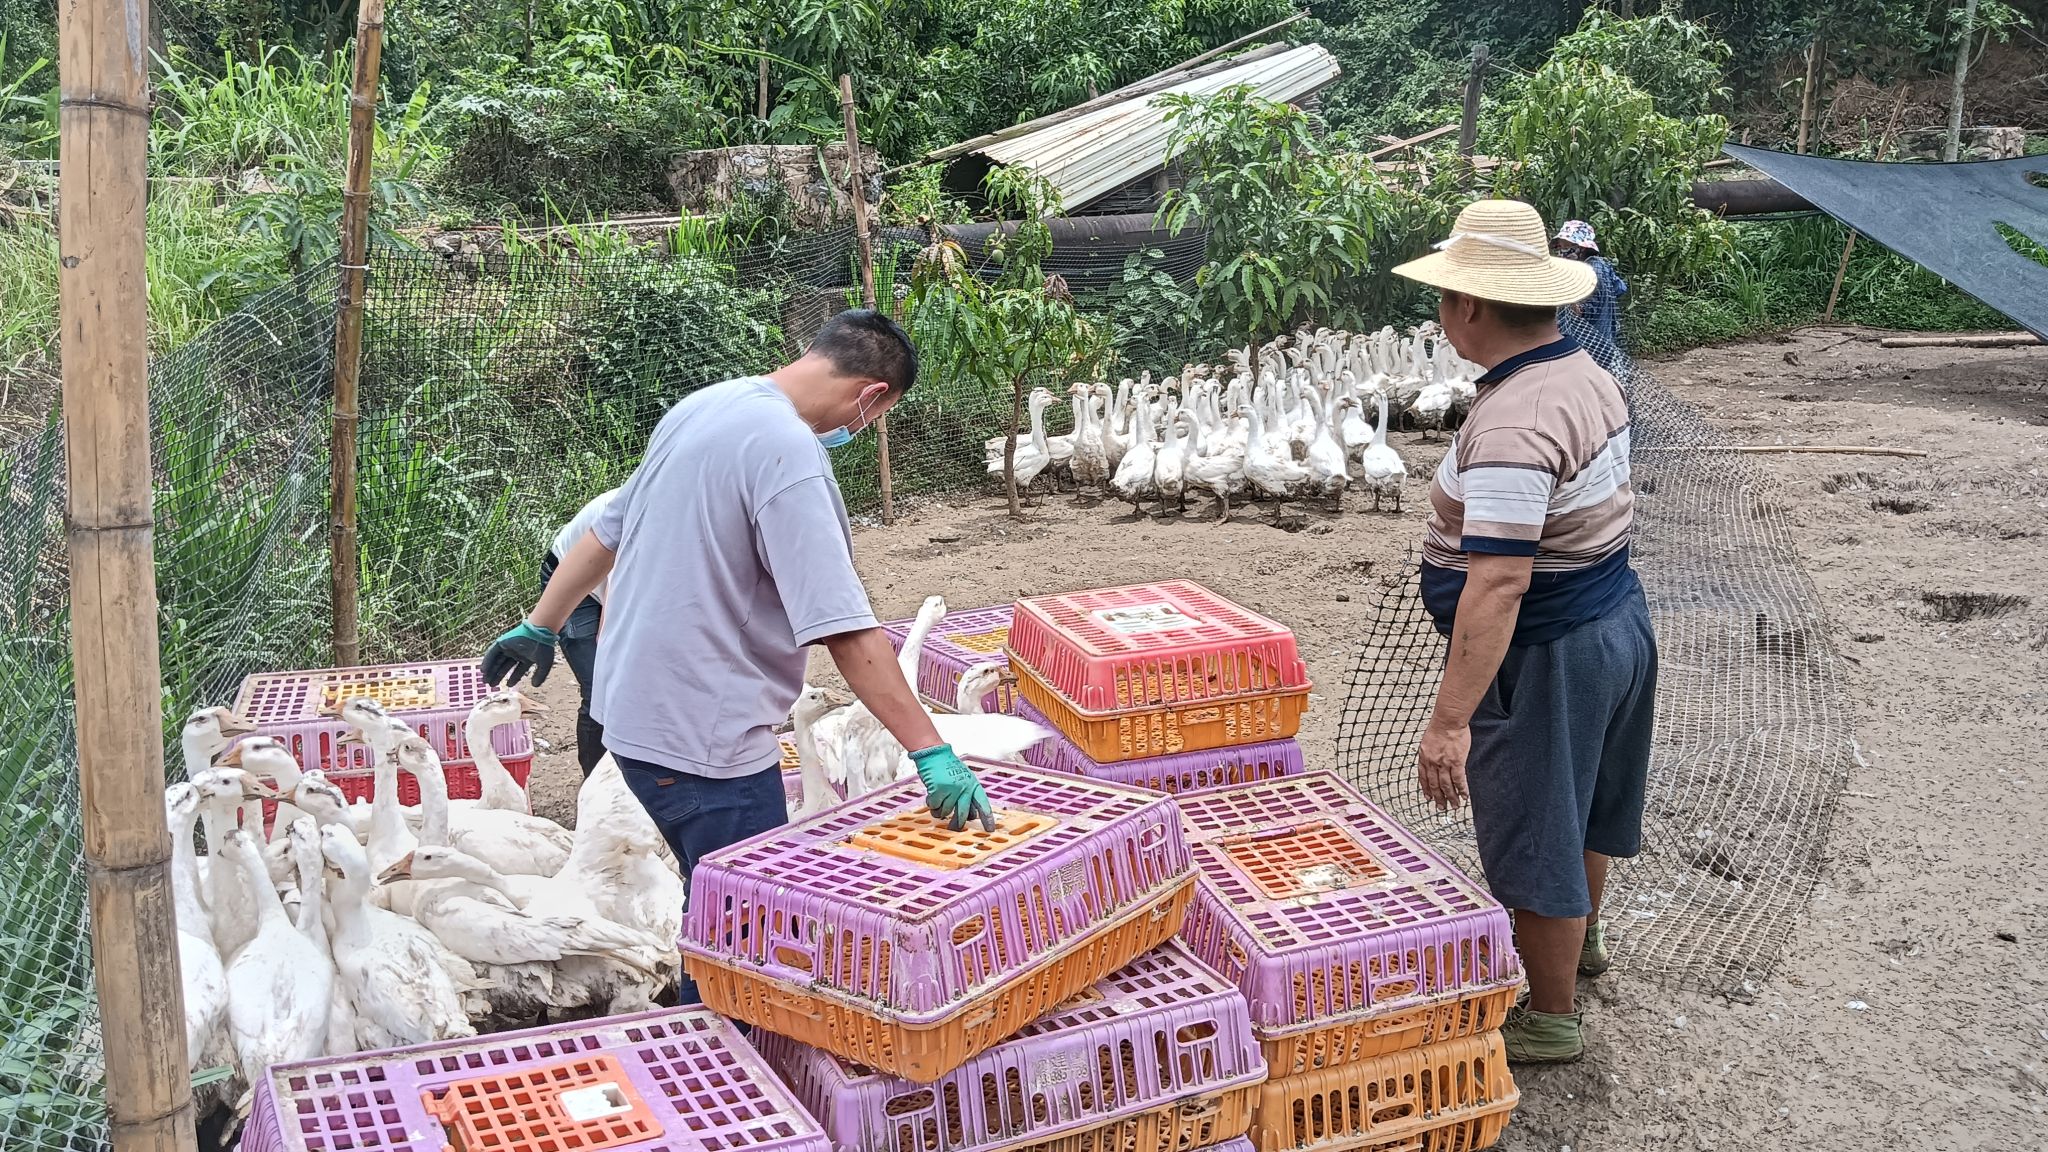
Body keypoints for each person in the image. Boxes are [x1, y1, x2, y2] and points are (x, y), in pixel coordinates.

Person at [478, 309, 993, 1004]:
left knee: (716, 902)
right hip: (706, 742)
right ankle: (715, 1045)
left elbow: (603, 533)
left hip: (633, 724)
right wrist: (931, 751)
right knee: (747, 937)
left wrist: (540, 624)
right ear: (871, 395)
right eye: (876, 417)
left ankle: (700, 1013)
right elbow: (845, 630)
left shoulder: (703, 407)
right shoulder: (790, 455)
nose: (861, 430)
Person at [1390, 200, 1659, 1063]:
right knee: (1580, 807)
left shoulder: (1516, 421)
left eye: (1444, 297)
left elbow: (1500, 581)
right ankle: (1580, 946)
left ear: (1469, 304)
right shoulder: (1583, 369)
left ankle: (1548, 1017)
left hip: (1550, 651)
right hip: (1613, 621)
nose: (1441, 313)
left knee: (1538, 827)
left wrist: (1450, 722)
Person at [542, 487, 618, 777]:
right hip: (573, 579)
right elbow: (611, 624)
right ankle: (594, 784)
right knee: (601, 687)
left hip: (610, 578)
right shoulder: (635, 516)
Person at [1551, 219, 1628, 369]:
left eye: (1566, 246)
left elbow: (1582, 311)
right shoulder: (1600, 265)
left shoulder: (1592, 270)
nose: (1562, 251)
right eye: (1560, 246)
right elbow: (1620, 288)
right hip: (1601, 342)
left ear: (1581, 247)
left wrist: (1566, 291)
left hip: (1591, 348)